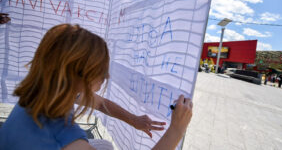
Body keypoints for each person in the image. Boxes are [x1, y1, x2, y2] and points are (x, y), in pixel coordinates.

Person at [0, 24, 193, 150]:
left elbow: (100, 104)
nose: (107, 75)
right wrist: (176, 129)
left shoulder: (47, 91)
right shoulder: (64, 136)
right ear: (78, 74)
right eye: (100, 69)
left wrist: (134, 120)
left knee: (104, 146)